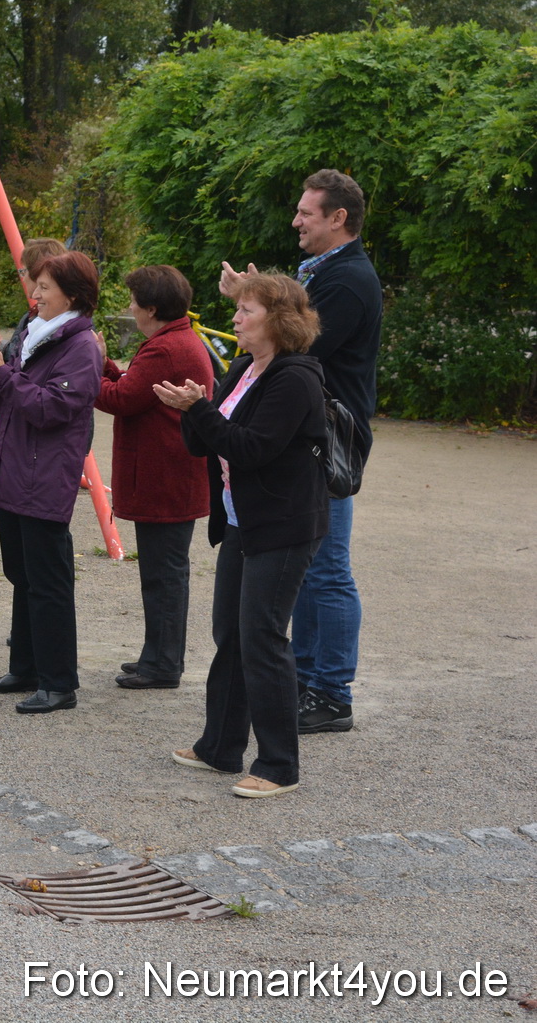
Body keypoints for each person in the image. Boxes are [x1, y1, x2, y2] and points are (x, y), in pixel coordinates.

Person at [155, 272, 327, 798]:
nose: (235, 317)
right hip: (239, 518)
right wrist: (191, 407)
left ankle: (279, 765)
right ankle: (221, 746)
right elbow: (203, 444)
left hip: (283, 525)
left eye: (246, 311)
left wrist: (199, 409)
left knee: (262, 637)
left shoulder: (295, 378)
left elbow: (253, 448)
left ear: (278, 320)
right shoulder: (242, 368)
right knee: (230, 632)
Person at [220, 170, 380, 733]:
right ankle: (311, 680)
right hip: (311, 439)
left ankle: (331, 692)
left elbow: (297, 340)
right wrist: (255, 296)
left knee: (328, 567)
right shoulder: (331, 273)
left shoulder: (348, 281)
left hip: (328, 443)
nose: (296, 221)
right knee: (314, 567)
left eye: (307, 213)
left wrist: (254, 300)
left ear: (339, 218)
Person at [0, 251, 103, 714]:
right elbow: (4, 395)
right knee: (22, 574)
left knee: (48, 581)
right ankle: (26, 668)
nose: (34, 295)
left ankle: (59, 683)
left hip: (43, 474)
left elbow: (49, 409)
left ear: (72, 295)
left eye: (45, 288)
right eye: (36, 286)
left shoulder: (81, 346)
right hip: (13, 468)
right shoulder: (36, 334)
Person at [95, 265, 214, 688]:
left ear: (151, 307)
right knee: (164, 574)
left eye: (133, 301)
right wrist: (105, 363)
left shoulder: (165, 348)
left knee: (164, 577)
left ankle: (163, 665)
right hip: (172, 478)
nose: (129, 308)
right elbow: (132, 387)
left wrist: (84, 370)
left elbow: (122, 398)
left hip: (165, 478)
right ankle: (157, 656)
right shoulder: (173, 341)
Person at [0, 238, 67, 361]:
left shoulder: (54, 321)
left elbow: (26, 367)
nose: (23, 278)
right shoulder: (35, 314)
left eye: (23, 271)